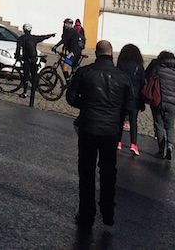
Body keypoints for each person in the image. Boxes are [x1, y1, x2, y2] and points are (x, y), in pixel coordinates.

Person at [66, 39, 133, 230]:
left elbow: (70, 97)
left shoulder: (84, 72)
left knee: (86, 172)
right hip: (111, 131)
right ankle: (108, 211)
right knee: (108, 171)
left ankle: (86, 213)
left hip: (88, 127)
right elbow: (130, 107)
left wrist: (86, 106)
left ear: (96, 53)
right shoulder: (123, 77)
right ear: (112, 54)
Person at [144, 49, 175, 159]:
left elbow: (149, 78)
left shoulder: (158, 69)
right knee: (170, 126)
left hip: (158, 100)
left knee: (159, 125)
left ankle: (161, 150)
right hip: (172, 103)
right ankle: (170, 146)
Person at [115, 43, 145, 155]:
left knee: (120, 119)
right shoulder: (139, 67)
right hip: (135, 97)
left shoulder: (121, 64)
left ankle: (118, 141)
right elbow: (142, 83)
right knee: (133, 121)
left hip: (122, 95)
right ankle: (133, 144)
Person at [15, 24, 55, 98]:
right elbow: (42, 37)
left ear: (24, 30)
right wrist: (51, 35)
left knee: (26, 76)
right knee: (34, 75)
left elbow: (18, 49)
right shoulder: (34, 38)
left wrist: (17, 56)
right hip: (34, 59)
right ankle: (33, 91)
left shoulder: (21, 38)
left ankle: (25, 93)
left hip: (26, 59)